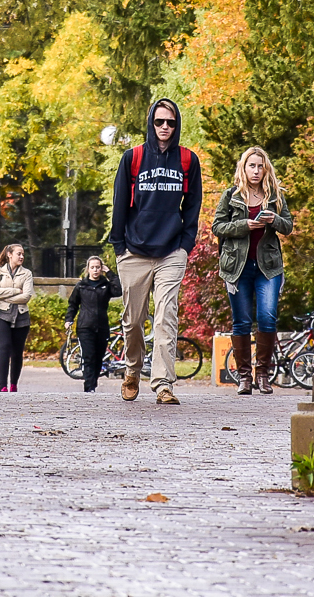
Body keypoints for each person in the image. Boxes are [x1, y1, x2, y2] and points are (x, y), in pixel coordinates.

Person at [108, 98, 202, 406]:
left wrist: (185, 245)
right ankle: (133, 369)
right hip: (133, 252)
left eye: (171, 123)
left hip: (171, 252)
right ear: (151, 123)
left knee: (166, 317)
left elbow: (192, 207)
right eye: (160, 122)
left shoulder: (188, 160)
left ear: (177, 126)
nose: (165, 127)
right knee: (133, 321)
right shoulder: (132, 157)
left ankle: (163, 384)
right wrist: (120, 248)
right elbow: (120, 204)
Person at [211, 147, 293, 395]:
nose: (256, 171)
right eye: (251, 166)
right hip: (237, 267)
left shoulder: (275, 196)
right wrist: (244, 225)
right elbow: (217, 227)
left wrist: (273, 220)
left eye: (260, 166)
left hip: (268, 267)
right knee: (242, 321)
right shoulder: (231, 195)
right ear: (243, 168)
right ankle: (245, 377)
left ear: (265, 169)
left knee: (267, 317)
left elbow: (288, 226)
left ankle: (264, 375)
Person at [64, 256, 122, 393]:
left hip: (102, 327)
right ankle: (89, 387)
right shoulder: (81, 286)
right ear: (88, 269)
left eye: (98, 267)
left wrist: (110, 273)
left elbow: (119, 290)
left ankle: (93, 384)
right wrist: (69, 319)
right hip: (85, 327)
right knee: (89, 357)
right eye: (92, 267)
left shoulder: (106, 286)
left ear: (101, 269)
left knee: (98, 357)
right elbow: (73, 304)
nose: (95, 270)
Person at [0, 243, 34, 393]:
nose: (21, 257)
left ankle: (13, 384)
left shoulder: (27, 273)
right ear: (9, 254)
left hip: (21, 316)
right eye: (18, 254)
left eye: (23, 254)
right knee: (4, 348)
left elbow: (26, 296)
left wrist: (6, 296)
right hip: (1, 315)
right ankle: (3, 386)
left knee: (17, 352)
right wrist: (15, 291)